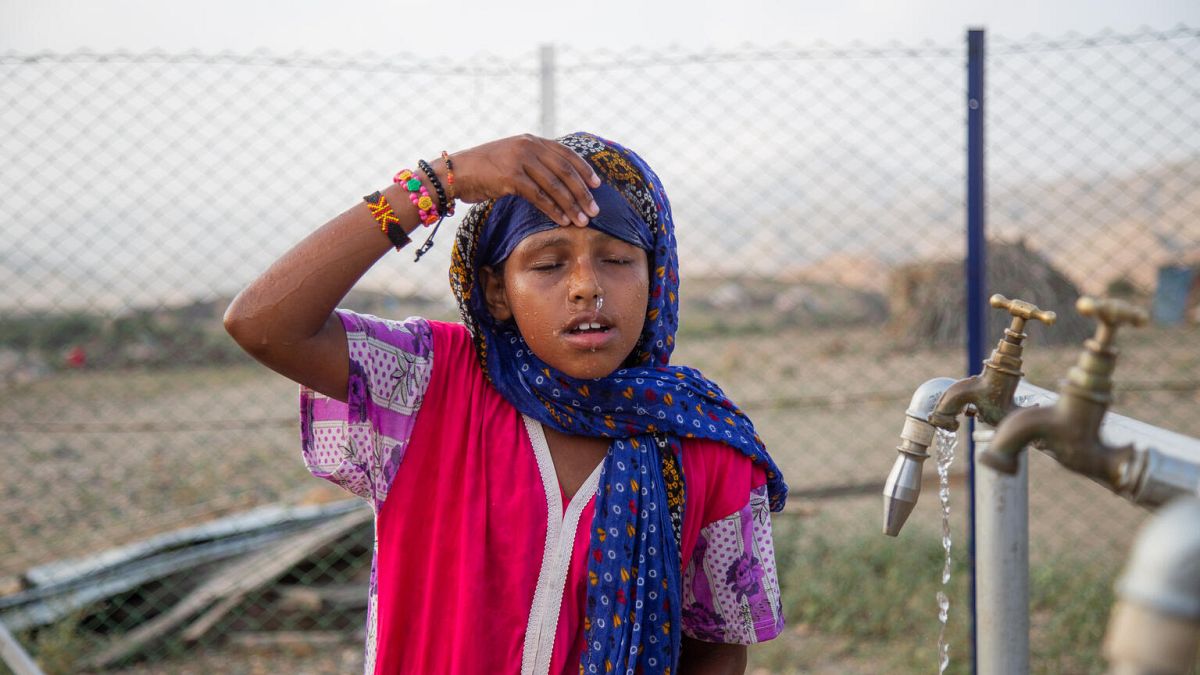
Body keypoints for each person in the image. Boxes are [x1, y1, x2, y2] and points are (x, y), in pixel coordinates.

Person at [224, 132, 788, 675]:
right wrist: (441, 181)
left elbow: (717, 647)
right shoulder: (432, 386)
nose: (586, 287)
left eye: (618, 260)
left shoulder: (706, 442)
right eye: (548, 264)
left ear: (656, 275)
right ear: (497, 291)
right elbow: (263, 324)